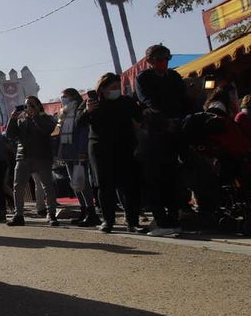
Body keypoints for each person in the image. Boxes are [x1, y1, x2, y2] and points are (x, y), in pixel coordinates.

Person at [135, 43, 193, 237]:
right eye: (159, 59)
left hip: (177, 129)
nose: (163, 62)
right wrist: (164, 119)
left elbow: (184, 99)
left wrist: (185, 117)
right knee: (155, 178)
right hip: (154, 132)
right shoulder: (143, 77)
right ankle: (160, 219)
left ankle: (176, 215)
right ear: (150, 61)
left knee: (175, 176)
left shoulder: (175, 77)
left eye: (166, 58)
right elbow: (147, 101)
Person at [77, 73, 145, 234]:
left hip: (125, 146)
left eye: (117, 87)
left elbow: (140, 118)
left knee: (129, 185)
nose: (115, 90)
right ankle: (108, 220)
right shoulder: (91, 103)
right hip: (100, 147)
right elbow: (79, 123)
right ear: (103, 88)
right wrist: (87, 111)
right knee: (104, 185)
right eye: (112, 87)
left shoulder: (126, 102)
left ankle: (132, 221)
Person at [4, 96, 59, 226]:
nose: (28, 107)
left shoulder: (46, 118)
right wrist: (12, 119)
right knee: (18, 187)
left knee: (48, 186)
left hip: (42, 157)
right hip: (22, 157)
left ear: (38, 106)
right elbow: (10, 135)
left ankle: (51, 215)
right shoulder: (21, 120)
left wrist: (35, 116)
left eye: (31, 104)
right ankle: (19, 215)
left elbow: (46, 130)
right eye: (26, 105)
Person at [57, 88, 98, 226]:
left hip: (78, 152)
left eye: (65, 96)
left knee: (83, 183)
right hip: (68, 153)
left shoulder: (79, 110)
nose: (63, 99)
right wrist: (60, 153)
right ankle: (83, 211)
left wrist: (82, 150)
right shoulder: (64, 113)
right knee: (75, 185)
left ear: (73, 97)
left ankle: (91, 212)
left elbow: (83, 131)